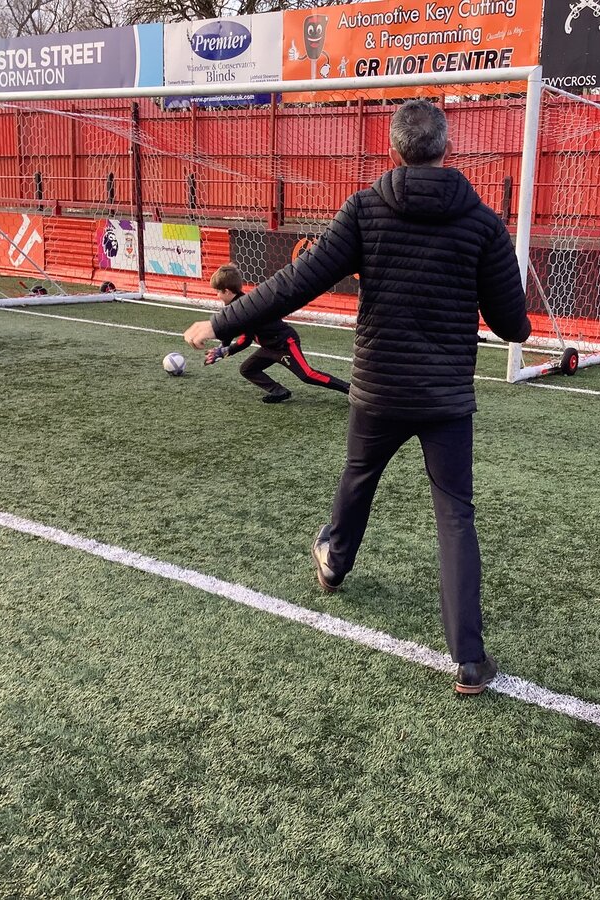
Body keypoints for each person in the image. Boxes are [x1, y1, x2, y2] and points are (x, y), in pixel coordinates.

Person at [184, 98, 531, 695]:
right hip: (445, 396)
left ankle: (334, 562)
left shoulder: (366, 209)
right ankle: (470, 659)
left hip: (380, 388)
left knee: (359, 475)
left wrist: (219, 323)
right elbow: (513, 326)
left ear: (393, 151)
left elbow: (295, 284)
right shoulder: (482, 222)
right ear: (447, 150)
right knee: (455, 513)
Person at [201, 263, 349, 403]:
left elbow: (245, 339)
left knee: (307, 375)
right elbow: (230, 329)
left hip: (284, 343)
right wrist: (222, 348)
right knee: (247, 369)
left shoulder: (244, 308)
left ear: (227, 291)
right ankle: (279, 391)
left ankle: (349, 388)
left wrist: (225, 351)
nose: (217, 295)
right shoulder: (236, 306)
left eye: (218, 292)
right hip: (269, 347)